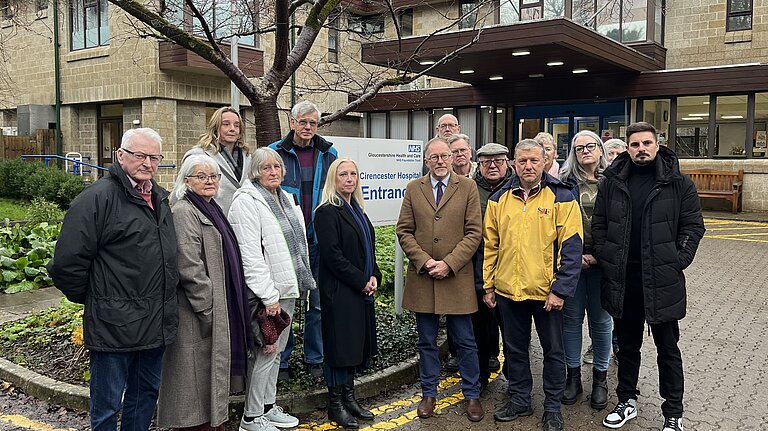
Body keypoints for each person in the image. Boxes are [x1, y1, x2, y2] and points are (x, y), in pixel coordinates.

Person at [47, 128, 178, 431]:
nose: (147, 163)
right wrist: (98, 298)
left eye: (154, 157)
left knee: (144, 396)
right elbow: (67, 264)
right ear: (121, 155)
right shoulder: (97, 199)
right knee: (107, 407)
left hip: (154, 322)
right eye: (139, 155)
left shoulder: (158, 198)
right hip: (114, 325)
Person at [593, 122, 705, 431]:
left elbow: (693, 227)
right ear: (627, 149)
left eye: (646, 143)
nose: (641, 149)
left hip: (662, 280)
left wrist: (676, 260)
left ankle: (673, 412)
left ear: (658, 145)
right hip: (624, 280)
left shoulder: (679, 183)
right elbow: (599, 225)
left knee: (667, 350)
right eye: (635, 144)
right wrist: (607, 256)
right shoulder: (612, 182)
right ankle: (626, 400)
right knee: (627, 347)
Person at [483, 139, 583, 431]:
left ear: (544, 163)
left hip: (546, 293)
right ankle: (520, 399)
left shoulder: (561, 197)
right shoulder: (499, 198)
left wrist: (561, 289)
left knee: (553, 351)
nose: (528, 166)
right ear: (514, 163)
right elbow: (491, 245)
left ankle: (552, 407)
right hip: (507, 291)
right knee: (514, 350)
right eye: (522, 161)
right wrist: (488, 286)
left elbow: (572, 246)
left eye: (534, 161)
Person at [158, 154, 253, 431]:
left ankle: (211, 423)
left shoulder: (211, 207)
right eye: (201, 176)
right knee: (192, 377)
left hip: (212, 308)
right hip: (195, 313)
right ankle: (196, 425)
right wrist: (209, 309)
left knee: (206, 374)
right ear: (186, 180)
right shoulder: (184, 211)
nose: (209, 181)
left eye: (213, 176)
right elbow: (189, 267)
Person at [396, 137, 485, 422]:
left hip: (456, 276)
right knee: (426, 342)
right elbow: (404, 231)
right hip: (424, 278)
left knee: (466, 341)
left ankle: (472, 394)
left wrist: (449, 263)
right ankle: (429, 393)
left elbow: (474, 232)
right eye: (433, 157)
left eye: (444, 156)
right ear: (426, 160)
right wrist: (424, 261)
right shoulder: (413, 188)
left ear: (453, 157)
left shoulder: (468, 187)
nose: (440, 161)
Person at [229, 147, 316, 431]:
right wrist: (268, 295)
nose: (273, 172)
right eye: (266, 168)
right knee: (266, 352)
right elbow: (249, 255)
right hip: (268, 293)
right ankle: (251, 417)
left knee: (276, 351)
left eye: (277, 167)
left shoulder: (285, 198)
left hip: (287, 287)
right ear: (255, 172)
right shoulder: (246, 201)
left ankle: (267, 406)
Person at [269, 101, 337, 379]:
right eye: (303, 122)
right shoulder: (275, 153)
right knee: (285, 301)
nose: (308, 127)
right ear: (292, 122)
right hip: (286, 241)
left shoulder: (329, 152)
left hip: (319, 238)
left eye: (313, 123)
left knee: (318, 303)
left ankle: (314, 358)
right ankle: (282, 360)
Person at [314, 158, 381, 429]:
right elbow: (333, 256)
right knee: (339, 348)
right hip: (340, 291)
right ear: (333, 178)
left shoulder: (358, 210)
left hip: (358, 290)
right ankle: (335, 404)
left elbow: (368, 250)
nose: (350, 179)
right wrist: (362, 281)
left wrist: (375, 274)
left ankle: (349, 397)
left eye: (353, 174)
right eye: (343, 174)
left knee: (353, 346)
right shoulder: (327, 212)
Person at [557, 131, 612, 410]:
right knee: (571, 321)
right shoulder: (565, 183)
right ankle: (573, 377)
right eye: (579, 148)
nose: (585, 151)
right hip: (573, 265)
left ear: (600, 149)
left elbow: (620, 225)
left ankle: (600, 379)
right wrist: (575, 256)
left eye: (590, 146)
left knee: (602, 323)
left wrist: (599, 256)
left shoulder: (614, 182)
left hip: (604, 266)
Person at [471, 143, 513, 385]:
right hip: (479, 266)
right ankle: (482, 372)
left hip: (511, 267)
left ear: (507, 162)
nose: (493, 166)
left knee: (510, 328)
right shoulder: (469, 188)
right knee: (482, 325)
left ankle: (514, 376)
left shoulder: (517, 186)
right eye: (487, 162)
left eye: (498, 160)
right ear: (480, 165)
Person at [182, 106, 252, 215]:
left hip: (244, 219)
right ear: (215, 127)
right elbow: (184, 190)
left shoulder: (248, 157)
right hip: (211, 219)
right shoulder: (198, 155)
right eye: (226, 124)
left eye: (236, 125)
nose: (232, 128)